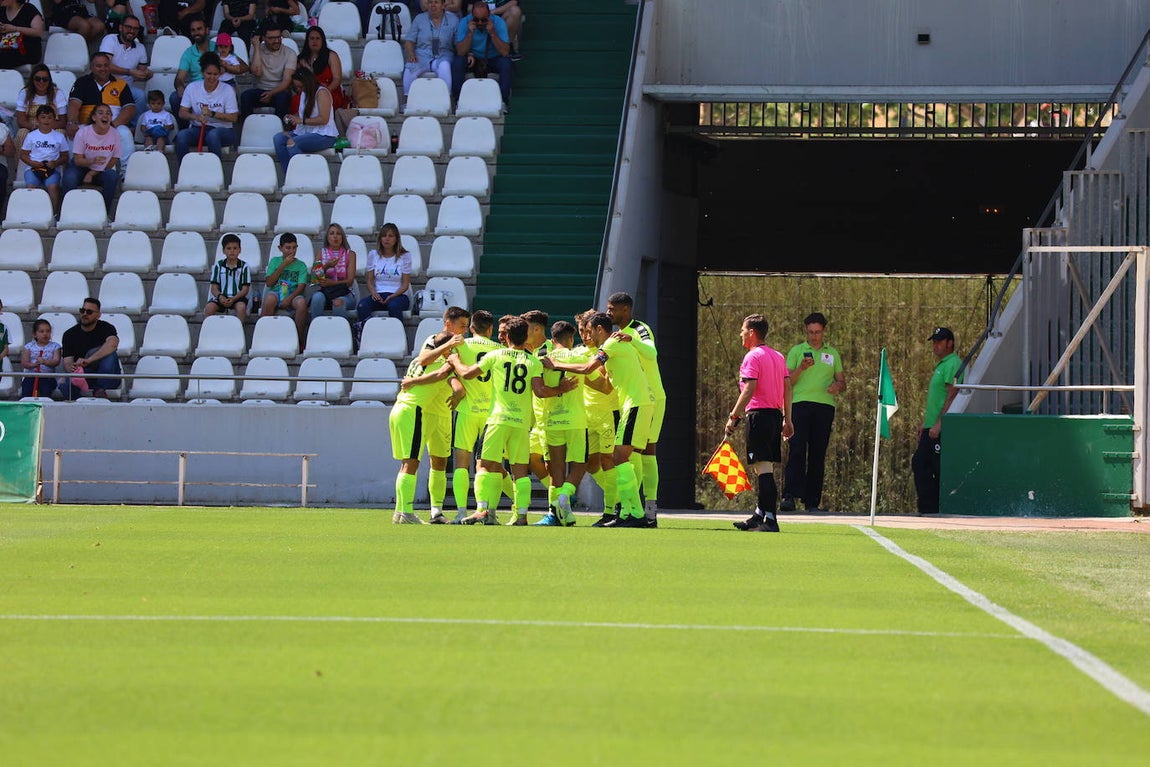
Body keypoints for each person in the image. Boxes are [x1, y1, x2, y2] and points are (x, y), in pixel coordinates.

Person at [451, 316, 576, 525]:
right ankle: (522, 516)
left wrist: (455, 361)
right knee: (520, 470)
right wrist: (560, 389)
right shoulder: (533, 362)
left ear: (507, 337)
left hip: (498, 419)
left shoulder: (496, 355)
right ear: (526, 336)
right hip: (520, 423)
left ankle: (483, 510)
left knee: (485, 465)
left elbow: (467, 374)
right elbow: (540, 391)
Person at [544, 312, 652, 528]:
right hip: (630, 404)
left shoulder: (610, 344)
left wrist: (555, 364)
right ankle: (631, 512)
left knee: (619, 458)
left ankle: (631, 512)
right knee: (617, 458)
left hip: (634, 404)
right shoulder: (611, 344)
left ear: (599, 329)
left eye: (590, 331)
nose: (587, 336)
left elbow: (587, 369)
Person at [534, 320, 611, 526]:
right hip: (576, 421)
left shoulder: (542, 359)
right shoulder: (579, 358)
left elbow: (538, 389)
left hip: (552, 420)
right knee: (580, 465)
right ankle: (565, 495)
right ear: (571, 338)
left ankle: (563, 513)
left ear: (552, 339)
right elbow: (604, 387)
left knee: (556, 469)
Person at [726, 314, 793, 533]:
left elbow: (749, 389)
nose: (741, 334)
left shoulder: (752, 356)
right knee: (762, 467)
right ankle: (758, 515)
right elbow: (788, 388)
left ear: (752, 332)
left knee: (763, 469)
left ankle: (771, 520)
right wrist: (788, 419)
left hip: (759, 416)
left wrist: (733, 416)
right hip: (774, 416)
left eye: (743, 330)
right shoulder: (778, 356)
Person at [606, 291, 665, 525]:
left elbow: (652, 353)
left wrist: (632, 340)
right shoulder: (613, 336)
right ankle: (632, 508)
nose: (609, 312)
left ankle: (648, 510)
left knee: (645, 451)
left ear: (626, 310)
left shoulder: (639, 329)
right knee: (633, 453)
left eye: (612, 309)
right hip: (634, 399)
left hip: (651, 397)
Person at [389, 331, 458, 524]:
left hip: (399, 408)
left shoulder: (417, 361)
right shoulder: (441, 363)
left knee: (406, 463)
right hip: (414, 410)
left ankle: (400, 512)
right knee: (411, 463)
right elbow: (441, 374)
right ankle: (406, 513)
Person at [781, 312, 846, 513]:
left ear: (824, 331)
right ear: (805, 331)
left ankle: (812, 502)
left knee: (818, 453)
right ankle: (789, 496)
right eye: (810, 332)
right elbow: (787, 382)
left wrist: (837, 386)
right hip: (799, 405)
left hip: (824, 407)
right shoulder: (797, 351)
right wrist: (801, 368)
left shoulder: (832, 354)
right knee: (797, 449)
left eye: (817, 332)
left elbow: (842, 382)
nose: (814, 336)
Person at [411, 306, 470, 523]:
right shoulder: (434, 340)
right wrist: (447, 345)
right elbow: (423, 359)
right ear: (448, 324)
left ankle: (436, 511)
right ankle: (404, 508)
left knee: (440, 462)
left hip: (443, 412)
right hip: (424, 410)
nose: (464, 330)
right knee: (412, 460)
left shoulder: (464, 347)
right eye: (461, 326)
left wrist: (457, 395)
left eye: (466, 326)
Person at [448, 309, 500, 522]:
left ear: (471, 328)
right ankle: (486, 511)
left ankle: (461, 512)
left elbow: (449, 372)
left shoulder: (461, 345)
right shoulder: (499, 349)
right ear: (491, 329)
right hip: (491, 414)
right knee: (489, 464)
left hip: (467, 410)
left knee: (461, 463)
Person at [913, 327, 964, 515]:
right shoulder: (942, 365)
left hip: (940, 428)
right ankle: (929, 508)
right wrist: (925, 423)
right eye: (934, 342)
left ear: (950, 343)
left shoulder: (952, 363)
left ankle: (933, 509)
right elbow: (937, 399)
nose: (935, 345)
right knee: (921, 463)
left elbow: (952, 395)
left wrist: (940, 423)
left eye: (939, 341)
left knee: (931, 466)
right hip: (931, 426)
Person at [576, 309, 621, 519]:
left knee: (608, 460)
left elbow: (605, 386)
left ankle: (613, 509)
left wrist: (579, 372)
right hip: (588, 416)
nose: (585, 336)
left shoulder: (606, 351)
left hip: (608, 412)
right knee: (591, 464)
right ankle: (620, 500)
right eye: (581, 331)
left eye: (588, 331)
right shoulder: (578, 353)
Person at [66, 52, 136, 169]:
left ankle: (126, 171)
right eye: (98, 66)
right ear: (91, 67)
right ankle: (75, 169)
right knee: (74, 132)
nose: (103, 69)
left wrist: (113, 125)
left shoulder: (121, 84)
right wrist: (72, 122)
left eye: (106, 65)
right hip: (87, 125)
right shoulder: (81, 82)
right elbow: (73, 104)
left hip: (113, 124)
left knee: (125, 133)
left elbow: (129, 108)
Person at [451, 0, 513, 110]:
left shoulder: (498, 22)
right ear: (472, 16)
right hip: (473, 59)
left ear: (489, 16)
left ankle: (503, 101)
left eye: (483, 20)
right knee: (458, 61)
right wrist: (469, 34)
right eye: (476, 20)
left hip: (492, 58)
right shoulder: (465, 22)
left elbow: (505, 52)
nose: (479, 23)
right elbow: (460, 52)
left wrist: (493, 33)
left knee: (506, 63)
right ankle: (458, 100)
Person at [175, 52, 239, 158]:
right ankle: (184, 166)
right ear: (202, 72)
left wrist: (212, 113)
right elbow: (182, 112)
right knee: (181, 136)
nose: (212, 77)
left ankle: (215, 167)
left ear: (220, 73)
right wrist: (196, 117)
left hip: (223, 130)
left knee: (212, 135)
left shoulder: (227, 90)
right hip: (198, 128)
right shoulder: (192, 87)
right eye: (209, 74)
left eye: (215, 74)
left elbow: (234, 117)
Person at [273, 68, 337, 171]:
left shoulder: (322, 92)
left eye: (301, 86)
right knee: (278, 138)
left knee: (292, 142)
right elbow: (302, 114)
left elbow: (324, 119)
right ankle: (288, 173)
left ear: (308, 82)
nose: (299, 89)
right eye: (297, 87)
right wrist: (292, 117)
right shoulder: (304, 93)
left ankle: (303, 173)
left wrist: (302, 121)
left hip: (324, 135)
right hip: (305, 132)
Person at [62, 103, 122, 212]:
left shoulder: (115, 135)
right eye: (101, 113)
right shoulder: (83, 133)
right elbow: (78, 160)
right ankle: (66, 212)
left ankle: (105, 213)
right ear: (94, 117)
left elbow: (113, 160)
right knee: (69, 178)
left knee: (112, 177)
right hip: (81, 166)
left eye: (108, 113)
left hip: (102, 169)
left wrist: (91, 173)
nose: (105, 116)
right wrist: (92, 161)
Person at [60, 297, 122, 400]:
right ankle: (80, 402)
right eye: (82, 310)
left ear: (98, 315)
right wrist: (73, 367)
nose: (84, 314)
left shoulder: (106, 327)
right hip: (85, 375)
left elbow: (113, 344)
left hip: (107, 375)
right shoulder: (69, 334)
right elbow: (67, 362)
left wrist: (89, 360)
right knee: (66, 384)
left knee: (110, 354)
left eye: (89, 312)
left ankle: (99, 390)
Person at [261, 233, 310, 348]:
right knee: (270, 299)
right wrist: (283, 265)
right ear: (280, 248)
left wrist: (289, 298)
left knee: (301, 303)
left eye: (294, 248)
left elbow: (301, 287)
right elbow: (269, 283)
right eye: (288, 248)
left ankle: (298, 340)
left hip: (293, 295)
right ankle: (263, 335)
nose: (291, 251)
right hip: (276, 292)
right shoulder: (274, 261)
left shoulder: (301, 265)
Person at [356, 222, 412, 322]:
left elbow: (405, 284)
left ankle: (398, 330)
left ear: (396, 239)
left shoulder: (404, 256)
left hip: (398, 295)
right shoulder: (373, 255)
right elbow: (370, 280)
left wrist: (392, 296)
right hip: (379, 294)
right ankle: (369, 328)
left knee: (393, 306)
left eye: (390, 236)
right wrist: (374, 293)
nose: (387, 239)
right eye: (384, 236)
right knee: (362, 305)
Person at [99, 15, 152, 118]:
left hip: (126, 87)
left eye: (135, 29)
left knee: (140, 95)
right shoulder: (110, 39)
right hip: (106, 85)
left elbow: (142, 72)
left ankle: (136, 125)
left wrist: (147, 74)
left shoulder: (140, 47)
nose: (132, 31)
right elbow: (105, 65)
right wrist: (129, 72)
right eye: (128, 27)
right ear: (120, 27)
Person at [20, 105, 69, 218]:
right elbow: (23, 155)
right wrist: (33, 163)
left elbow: (65, 156)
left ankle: (53, 215)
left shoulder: (59, 137)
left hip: (52, 169)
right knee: (31, 187)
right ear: (37, 119)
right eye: (43, 117)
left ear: (54, 119)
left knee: (53, 187)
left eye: (49, 117)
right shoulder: (31, 136)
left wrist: (55, 163)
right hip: (33, 168)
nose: (46, 120)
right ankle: (31, 215)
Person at [401, 0, 458, 96]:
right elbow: (409, 41)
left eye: (436, 2)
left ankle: (446, 99)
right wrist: (411, 54)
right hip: (422, 55)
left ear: (443, 5)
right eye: (430, 2)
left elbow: (458, 42)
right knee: (410, 68)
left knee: (444, 66)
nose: (433, 5)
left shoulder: (453, 20)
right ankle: (408, 99)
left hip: (443, 54)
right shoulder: (419, 18)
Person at [241, 22, 296, 120]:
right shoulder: (257, 50)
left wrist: (271, 93)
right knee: (245, 96)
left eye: (278, 37)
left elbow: (286, 81)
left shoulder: (290, 53)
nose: (276, 41)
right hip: (260, 89)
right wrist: (256, 47)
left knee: (282, 98)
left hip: (279, 90)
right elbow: (257, 72)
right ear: (263, 38)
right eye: (271, 38)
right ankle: (250, 125)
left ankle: (279, 127)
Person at [170, 16, 215, 125]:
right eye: (193, 30)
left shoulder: (218, 47)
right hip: (195, 91)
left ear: (207, 30)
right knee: (175, 97)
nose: (196, 33)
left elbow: (242, 66)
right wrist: (180, 87)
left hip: (216, 89)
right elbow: (179, 78)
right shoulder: (188, 53)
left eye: (199, 29)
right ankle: (184, 130)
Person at [308, 222, 357, 320]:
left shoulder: (350, 254)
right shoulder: (321, 253)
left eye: (338, 234)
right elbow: (314, 278)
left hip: (345, 294)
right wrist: (327, 266)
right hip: (326, 293)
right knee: (317, 298)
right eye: (332, 233)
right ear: (327, 237)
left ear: (342, 237)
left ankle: (342, 329)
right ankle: (315, 327)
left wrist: (332, 283)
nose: (335, 236)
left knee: (338, 303)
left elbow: (350, 281)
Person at [15, 66, 69, 151]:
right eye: (37, 79)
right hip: (31, 127)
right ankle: (22, 159)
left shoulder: (58, 93)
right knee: (22, 134)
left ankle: (58, 159)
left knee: (60, 133)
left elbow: (63, 121)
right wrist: (36, 128)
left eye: (45, 79)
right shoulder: (25, 93)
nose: (41, 82)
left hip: (52, 127)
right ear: (32, 80)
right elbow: (21, 121)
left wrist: (46, 127)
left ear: (49, 80)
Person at [204, 232, 251, 323]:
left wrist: (233, 299)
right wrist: (220, 296)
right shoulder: (218, 265)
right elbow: (214, 287)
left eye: (235, 248)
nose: (232, 251)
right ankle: (208, 330)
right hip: (221, 297)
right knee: (209, 308)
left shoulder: (244, 266)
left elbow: (245, 289)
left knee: (241, 307)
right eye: (229, 248)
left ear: (240, 250)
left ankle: (239, 330)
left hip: (237, 298)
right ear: (223, 250)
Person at [297, 25, 347, 110]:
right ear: (307, 41)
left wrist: (326, 90)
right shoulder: (301, 59)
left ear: (322, 40)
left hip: (329, 91)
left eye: (318, 38)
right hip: (308, 93)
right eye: (312, 38)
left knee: (322, 101)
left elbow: (337, 78)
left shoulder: (331, 55)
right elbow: (297, 80)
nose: (315, 41)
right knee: (297, 101)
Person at [20, 318, 61, 399]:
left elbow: (56, 361)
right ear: (35, 334)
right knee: (27, 388)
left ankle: (45, 404)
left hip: (47, 377)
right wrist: (34, 365)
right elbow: (24, 363)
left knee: (46, 390)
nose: (45, 334)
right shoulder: (28, 346)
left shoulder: (55, 346)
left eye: (48, 331)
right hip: (31, 376)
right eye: (41, 331)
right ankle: (25, 404)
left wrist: (45, 362)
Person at [0, 0, 45, 70]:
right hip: (7, 45)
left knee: (4, 56)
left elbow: (38, 32)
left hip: (26, 48)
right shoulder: (2, 10)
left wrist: (15, 29)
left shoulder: (29, 9)